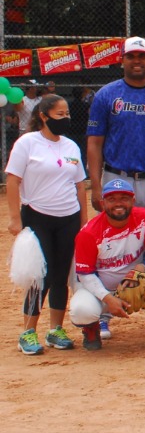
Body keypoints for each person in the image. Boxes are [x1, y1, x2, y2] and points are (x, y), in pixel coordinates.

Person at [6, 94, 88, 355]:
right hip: (37, 215)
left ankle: (56, 329)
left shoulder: (71, 146)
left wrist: (84, 222)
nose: (66, 119)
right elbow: (12, 180)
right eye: (60, 115)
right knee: (38, 276)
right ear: (43, 116)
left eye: (67, 114)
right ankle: (28, 332)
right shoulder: (27, 143)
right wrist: (15, 219)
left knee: (60, 274)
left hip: (69, 218)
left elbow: (79, 186)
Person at [69, 179, 145, 352]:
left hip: (135, 280)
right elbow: (85, 274)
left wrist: (141, 267)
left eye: (124, 198)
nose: (118, 203)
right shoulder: (89, 232)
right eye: (112, 199)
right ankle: (91, 329)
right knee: (81, 311)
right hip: (101, 288)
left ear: (133, 200)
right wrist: (108, 299)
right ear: (102, 203)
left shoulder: (144, 217)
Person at [86, 36, 145, 213]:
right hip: (116, 176)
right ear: (122, 60)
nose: (137, 61)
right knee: (116, 236)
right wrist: (95, 186)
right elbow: (94, 143)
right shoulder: (106, 94)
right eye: (131, 56)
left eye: (142, 56)